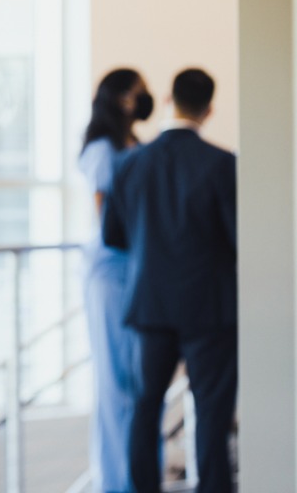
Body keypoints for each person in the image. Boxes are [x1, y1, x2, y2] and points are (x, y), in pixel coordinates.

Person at [103, 68, 237, 493]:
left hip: (150, 305)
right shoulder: (222, 164)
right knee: (213, 415)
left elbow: (112, 235)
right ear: (209, 110)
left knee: (145, 409)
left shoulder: (129, 163)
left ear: (167, 100)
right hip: (209, 309)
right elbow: (237, 237)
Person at [78, 68, 152, 493]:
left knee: (140, 387)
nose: (146, 99)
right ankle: (116, 483)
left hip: (138, 274)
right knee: (114, 385)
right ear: (123, 99)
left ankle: (140, 480)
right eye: (139, 93)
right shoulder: (102, 150)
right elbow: (106, 219)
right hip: (110, 274)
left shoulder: (135, 146)